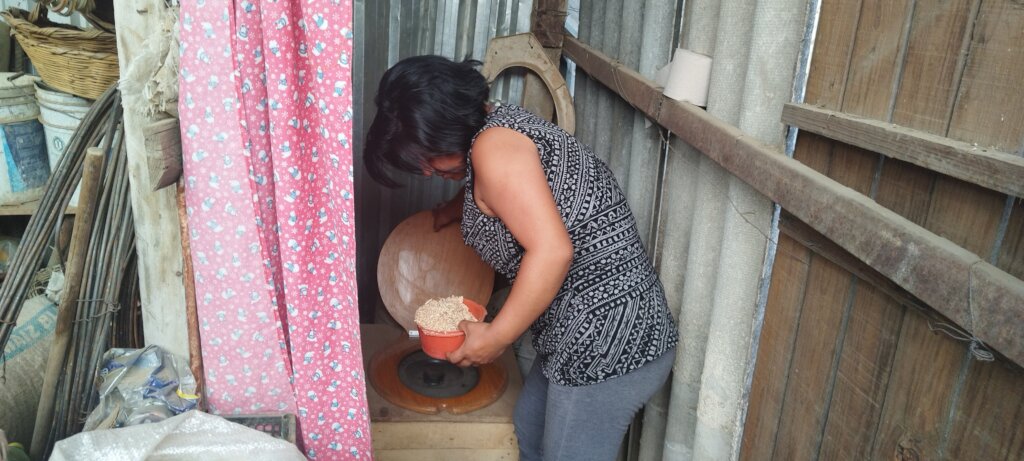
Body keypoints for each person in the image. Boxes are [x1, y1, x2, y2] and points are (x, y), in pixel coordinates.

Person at [364, 55, 679, 461]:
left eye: (427, 156)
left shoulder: (495, 151)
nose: (425, 172)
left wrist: (495, 339)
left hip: (611, 341)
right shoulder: (496, 126)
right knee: (528, 433)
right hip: (579, 332)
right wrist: (449, 211)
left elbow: (552, 251)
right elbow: (504, 194)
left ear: (448, 125)